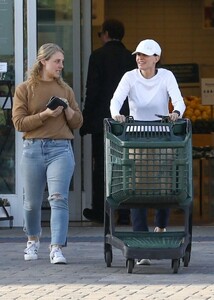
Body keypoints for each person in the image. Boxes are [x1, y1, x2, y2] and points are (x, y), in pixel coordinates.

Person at [110, 39, 186, 265]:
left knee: (163, 187)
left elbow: (178, 100)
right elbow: (116, 100)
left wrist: (176, 113)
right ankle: (140, 240)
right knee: (137, 188)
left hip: (162, 137)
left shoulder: (166, 76)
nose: (139, 58)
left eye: (144, 55)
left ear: (157, 58)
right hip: (136, 138)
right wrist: (117, 115)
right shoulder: (129, 77)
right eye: (137, 55)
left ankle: (161, 226)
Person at [12, 43, 83, 264]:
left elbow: (78, 122)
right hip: (33, 149)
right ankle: (32, 240)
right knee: (31, 202)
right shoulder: (24, 89)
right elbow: (19, 123)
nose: (61, 66)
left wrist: (68, 110)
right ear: (43, 61)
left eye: (62, 61)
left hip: (61, 149)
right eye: (57, 61)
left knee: (58, 199)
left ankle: (56, 247)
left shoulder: (66, 90)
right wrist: (46, 114)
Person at [80, 19, 136, 224]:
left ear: (106, 34)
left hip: (102, 121)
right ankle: (125, 212)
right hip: (128, 122)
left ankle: (101, 210)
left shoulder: (97, 56)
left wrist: (86, 120)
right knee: (126, 165)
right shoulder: (131, 59)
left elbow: (92, 90)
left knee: (102, 166)